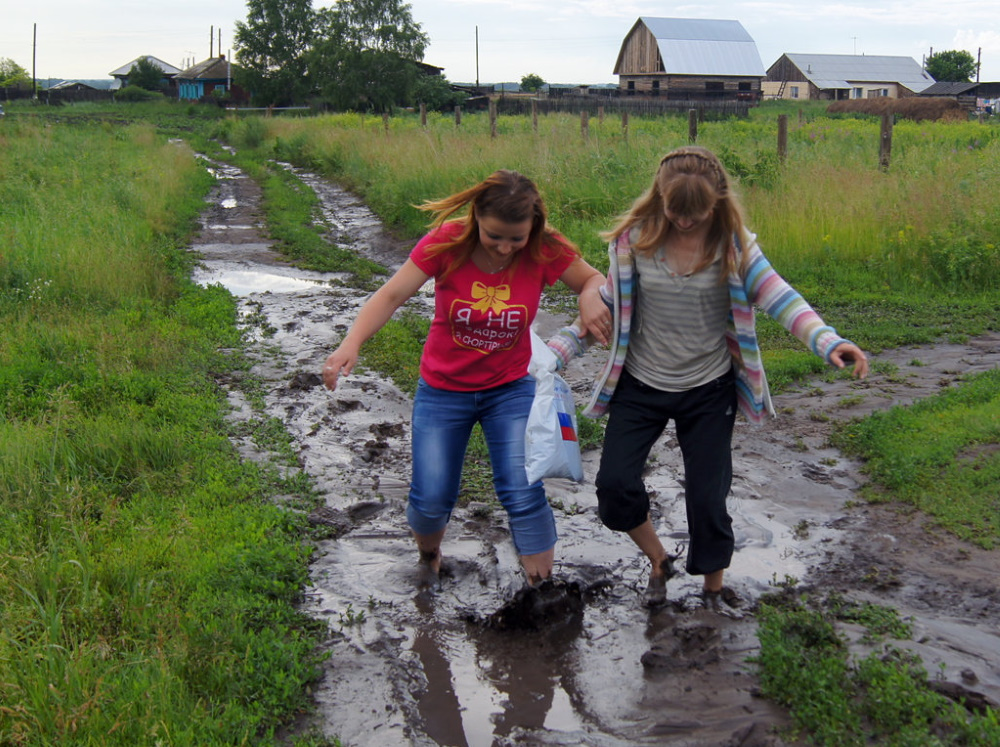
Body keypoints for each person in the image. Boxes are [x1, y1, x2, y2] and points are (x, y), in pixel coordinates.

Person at [548, 146, 869, 610]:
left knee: (707, 497)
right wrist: (552, 355)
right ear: (660, 198)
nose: (683, 223)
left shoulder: (734, 247)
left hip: (708, 390)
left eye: (694, 215)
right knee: (615, 489)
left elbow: (781, 297)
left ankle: (714, 592)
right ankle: (659, 558)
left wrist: (827, 340)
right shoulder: (634, 242)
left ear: (716, 203)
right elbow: (603, 309)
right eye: (675, 212)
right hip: (640, 386)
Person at [322, 170, 608, 589]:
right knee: (432, 496)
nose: (506, 247)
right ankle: (429, 556)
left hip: (511, 389)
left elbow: (593, 279)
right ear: (477, 217)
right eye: (495, 236)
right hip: (443, 391)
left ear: (533, 226)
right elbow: (390, 295)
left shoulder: (545, 246)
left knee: (522, 490)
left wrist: (587, 296)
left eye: (516, 238)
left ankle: (542, 592)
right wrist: (351, 343)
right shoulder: (447, 242)